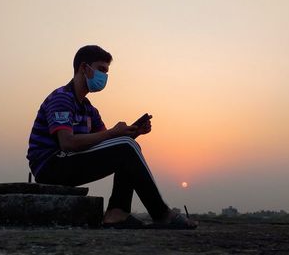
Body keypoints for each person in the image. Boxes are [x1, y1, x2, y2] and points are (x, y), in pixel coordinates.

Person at [26, 45, 197, 229]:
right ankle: (161, 213)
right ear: (84, 68)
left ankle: (117, 212)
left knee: (126, 146)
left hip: (68, 162)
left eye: (107, 72)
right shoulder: (62, 98)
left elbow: (109, 145)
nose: (104, 77)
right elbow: (67, 143)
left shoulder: (89, 109)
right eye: (101, 70)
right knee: (125, 147)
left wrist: (133, 133)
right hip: (50, 166)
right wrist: (114, 134)